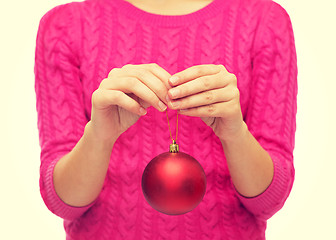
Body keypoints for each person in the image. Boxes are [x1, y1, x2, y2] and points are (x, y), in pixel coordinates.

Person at [34, 0, 297, 239]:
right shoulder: (65, 27)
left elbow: (269, 200)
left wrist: (235, 134)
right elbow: (62, 202)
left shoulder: (265, 21)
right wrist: (99, 137)